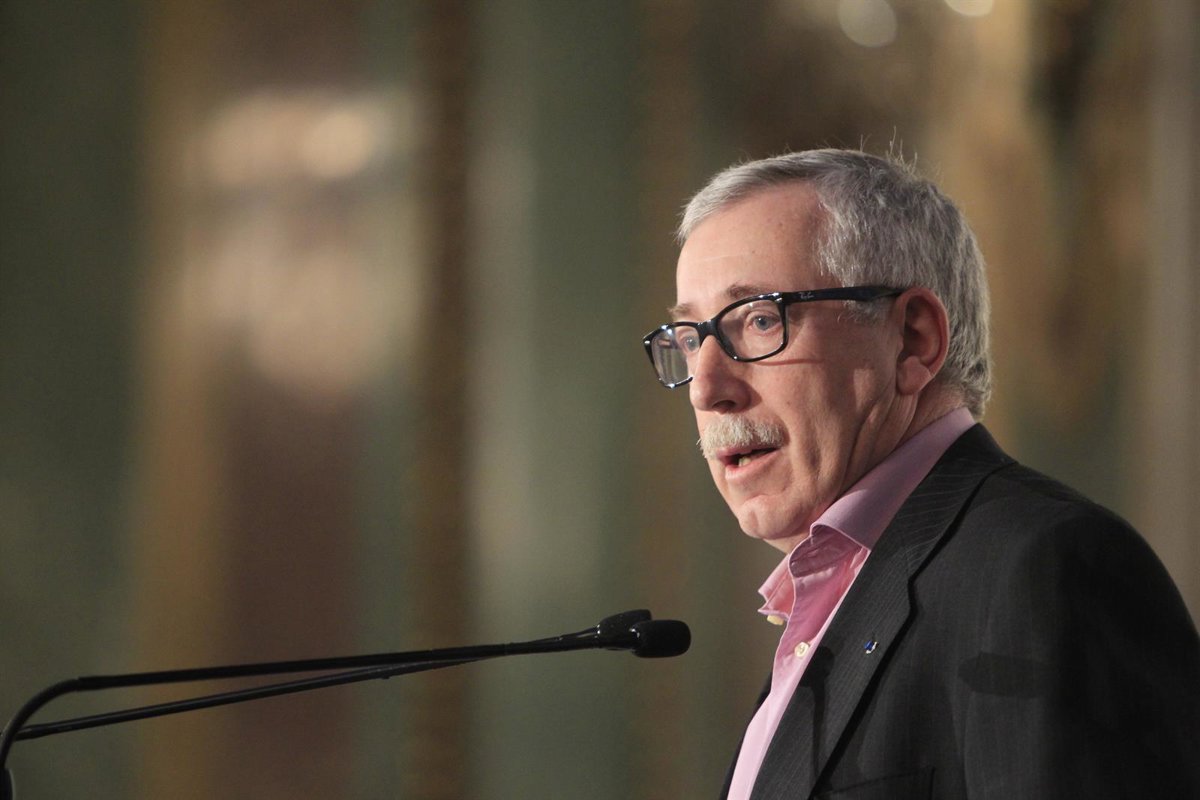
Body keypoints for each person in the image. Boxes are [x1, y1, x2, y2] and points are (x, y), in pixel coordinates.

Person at [641, 149, 1200, 799]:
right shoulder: (828, 606)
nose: (706, 388)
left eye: (760, 320)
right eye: (690, 339)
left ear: (912, 340)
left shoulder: (1043, 568)